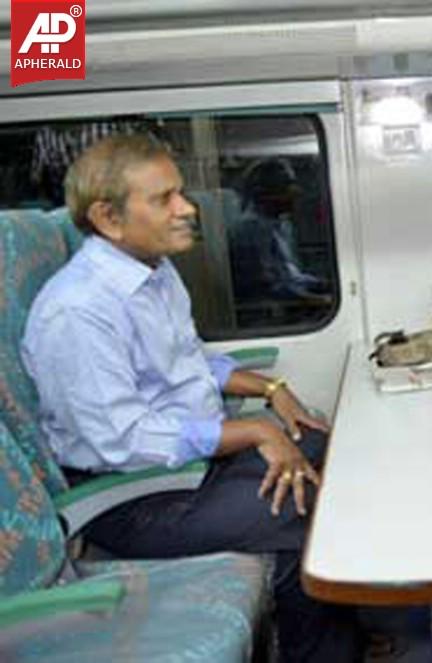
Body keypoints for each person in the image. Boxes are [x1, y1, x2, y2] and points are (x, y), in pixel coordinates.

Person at [21, 135, 359, 663]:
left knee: (323, 446)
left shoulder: (155, 275)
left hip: (194, 468)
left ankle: (336, 640)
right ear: (109, 218)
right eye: (165, 199)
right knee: (309, 507)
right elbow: (121, 441)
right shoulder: (78, 311)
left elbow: (191, 362)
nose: (187, 209)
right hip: (134, 495)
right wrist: (255, 430)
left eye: (181, 193)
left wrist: (273, 391)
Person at [229, 157, 328, 302]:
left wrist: (321, 284)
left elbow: (292, 277)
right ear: (264, 193)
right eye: (286, 186)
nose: (295, 193)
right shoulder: (250, 230)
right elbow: (268, 288)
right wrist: (316, 300)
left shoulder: (283, 225)